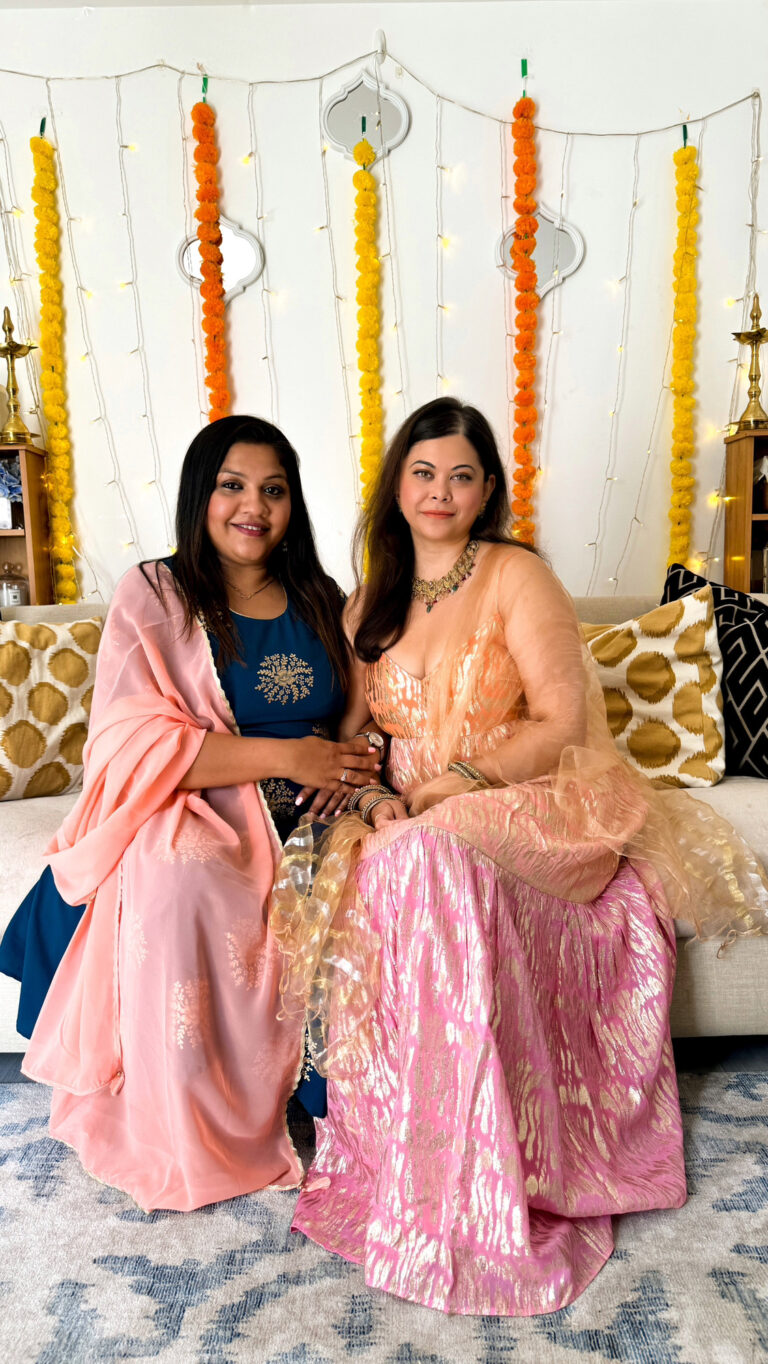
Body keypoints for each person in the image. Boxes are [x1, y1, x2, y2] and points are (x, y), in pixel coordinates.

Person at [272, 396, 768, 1317]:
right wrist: (377, 795)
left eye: (462, 474)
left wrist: (451, 783)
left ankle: (481, 1181)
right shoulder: (367, 598)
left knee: (423, 854)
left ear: (488, 489)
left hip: (526, 803)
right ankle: (413, 1163)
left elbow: (561, 723)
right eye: (423, 472)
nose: (440, 491)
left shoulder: (513, 575)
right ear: (398, 486)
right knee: (400, 860)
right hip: (412, 820)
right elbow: (354, 736)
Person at [2, 414, 382, 1212]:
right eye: (233, 486)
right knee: (174, 876)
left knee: (380, 879)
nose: (255, 506)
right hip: (193, 798)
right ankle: (187, 1119)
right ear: (200, 495)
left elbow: (360, 711)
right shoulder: (158, 592)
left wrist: (352, 764)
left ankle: (346, 1103)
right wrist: (289, 756)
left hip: (313, 810)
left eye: (274, 490)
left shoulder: (322, 596)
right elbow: (130, 739)